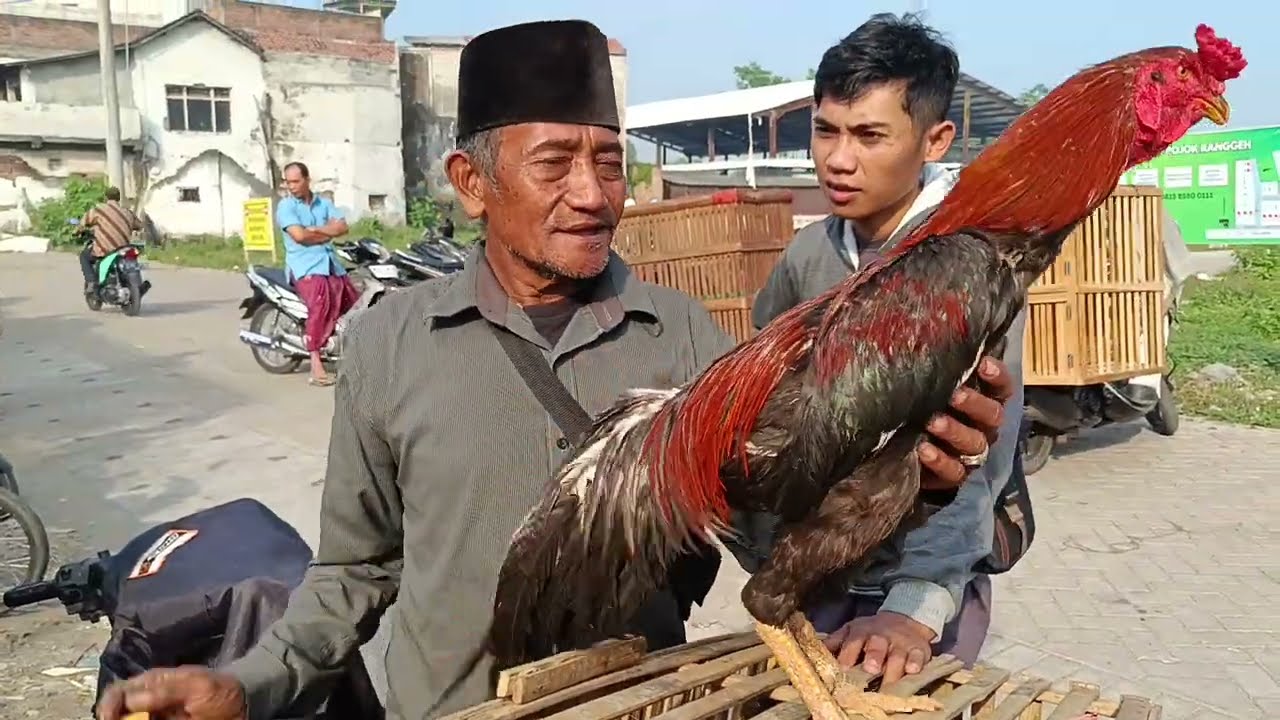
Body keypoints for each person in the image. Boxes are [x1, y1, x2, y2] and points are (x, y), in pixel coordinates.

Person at [96, 18, 1014, 720]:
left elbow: (771, 534)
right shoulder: (388, 344)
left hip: (636, 704)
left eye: (609, 163)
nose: (592, 194)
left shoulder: (684, 337)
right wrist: (247, 686)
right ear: (470, 181)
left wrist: (907, 485)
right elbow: (352, 573)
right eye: (554, 163)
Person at [749, 13, 1030, 685]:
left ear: (935, 140)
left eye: (870, 135)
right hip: (820, 566)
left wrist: (914, 608)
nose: (839, 159)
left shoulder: (968, 263)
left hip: (920, 575)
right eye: (825, 130)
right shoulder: (808, 255)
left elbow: (973, 458)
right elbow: (765, 411)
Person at [276, 161, 359, 387]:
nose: (291, 186)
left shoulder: (324, 203)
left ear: (307, 180)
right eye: (288, 182)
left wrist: (316, 230)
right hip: (305, 267)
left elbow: (342, 227)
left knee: (355, 304)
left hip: (331, 263)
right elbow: (299, 236)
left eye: (295, 181)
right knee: (320, 303)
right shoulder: (286, 207)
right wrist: (326, 233)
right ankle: (315, 363)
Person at [79, 186, 143, 295]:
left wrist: (77, 231)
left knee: (84, 256)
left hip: (105, 249)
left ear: (106, 197)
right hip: (124, 248)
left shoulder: (98, 210)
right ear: (119, 198)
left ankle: (91, 281)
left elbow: (83, 223)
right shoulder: (127, 212)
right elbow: (139, 225)